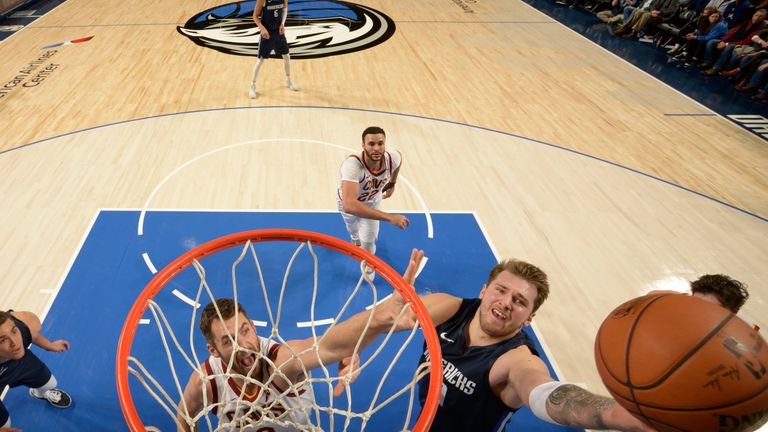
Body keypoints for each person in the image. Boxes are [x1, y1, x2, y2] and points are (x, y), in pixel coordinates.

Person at [175, 250, 424, 431]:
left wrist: (381, 316)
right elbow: (184, 417)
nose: (243, 343)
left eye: (245, 331)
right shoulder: (206, 381)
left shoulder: (281, 363)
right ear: (213, 350)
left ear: (252, 326)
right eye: (228, 340)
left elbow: (329, 344)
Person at [415, 258, 653, 432]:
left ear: (529, 318)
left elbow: (545, 394)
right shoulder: (449, 309)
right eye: (501, 290)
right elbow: (381, 320)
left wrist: (615, 414)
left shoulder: (517, 359)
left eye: (519, 301)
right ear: (484, 290)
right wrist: (388, 314)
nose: (506, 302)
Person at [336, 126, 409, 263]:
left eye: (380, 143)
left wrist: (392, 183)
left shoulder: (392, 158)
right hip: (348, 203)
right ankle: (354, 235)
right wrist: (390, 218)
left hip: (372, 202)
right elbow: (349, 205)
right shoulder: (352, 165)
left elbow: (399, 158)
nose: (376, 148)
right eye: (371, 144)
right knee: (352, 226)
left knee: (368, 243)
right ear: (363, 145)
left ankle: (369, 270)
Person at [0, 310, 72, 431]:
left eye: (14, 331)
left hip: (21, 363)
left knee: (51, 384)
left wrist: (50, 346)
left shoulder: (24, 323)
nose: (15, 343)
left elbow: (33, 335)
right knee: (5, 425)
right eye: (2, 340)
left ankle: (40, 394)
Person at [248, 0, 300, 99]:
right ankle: (252, 86)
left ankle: (288, 81)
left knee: (287, 56)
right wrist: (262, 29)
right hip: (267, 33)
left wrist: (282, 24)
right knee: (260, 60)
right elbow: (255, 16)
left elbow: (284, 8)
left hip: (278, 32)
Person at [690, 274, 760, 330]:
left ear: (734, 312)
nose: (699, 313)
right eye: (696, 304)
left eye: (711, 309)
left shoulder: (744, 337)